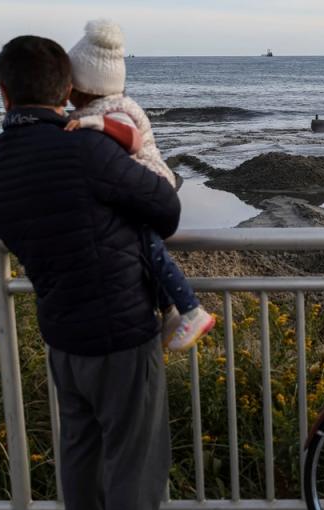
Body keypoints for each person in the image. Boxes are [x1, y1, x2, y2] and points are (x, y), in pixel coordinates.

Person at [0, 35, 196, 510]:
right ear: (68, 89)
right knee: (134, 461)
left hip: (61, 327)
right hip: (121, 328)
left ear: (3, 92)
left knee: (80, 450)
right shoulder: (86, 151)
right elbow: (167, 209)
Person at [66, 18, 214, 351]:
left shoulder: (114, 111)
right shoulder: (110, 105)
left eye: (71, 85)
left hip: (152, 181)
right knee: (143, 244)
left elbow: (130, 140)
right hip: (145, 183)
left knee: (148, 245)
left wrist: (92, 122)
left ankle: (191, 309)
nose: (68, 92)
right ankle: (170, 309)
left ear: (87, 86)